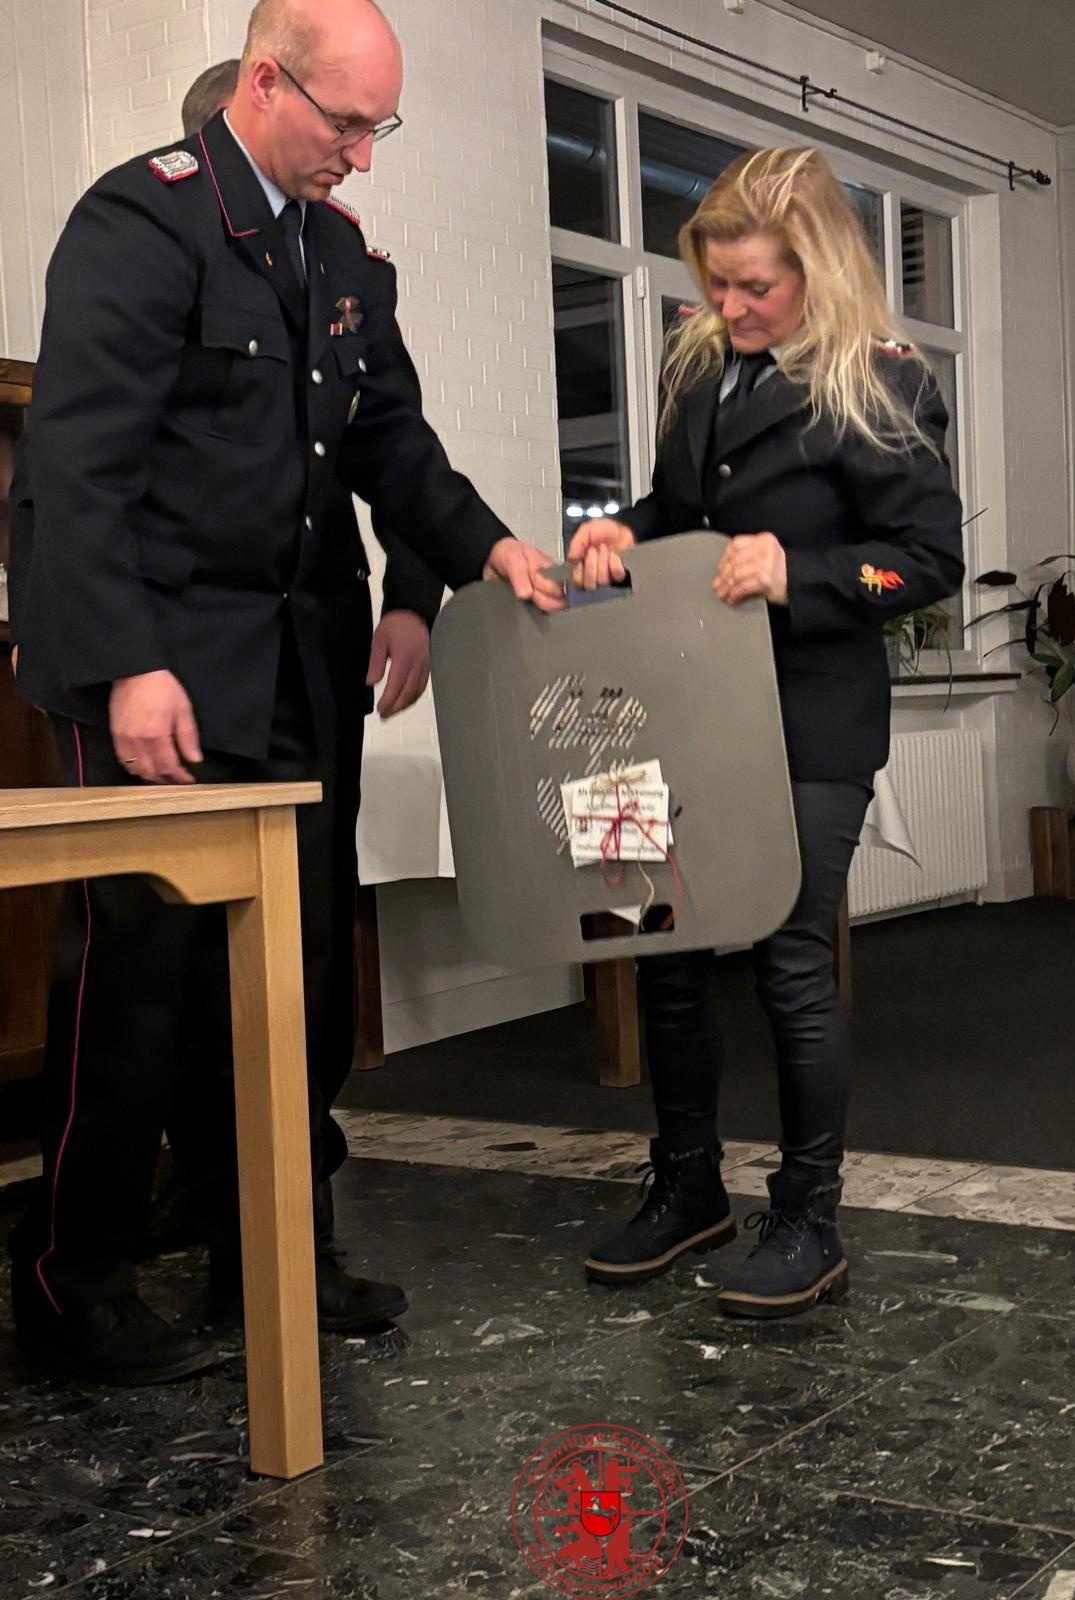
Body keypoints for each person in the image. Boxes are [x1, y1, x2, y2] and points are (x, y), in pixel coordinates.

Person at [6, 0, 562, 1385]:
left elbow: (393, 442)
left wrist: (483, 551)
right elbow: (77, 466)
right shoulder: (142, 222)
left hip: (295, 670)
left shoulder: (340, 253)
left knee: (291, 978)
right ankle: (74, 1281)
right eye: (349, 124)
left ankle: (264, 1253)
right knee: (136, 979)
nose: (363, 154)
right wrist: (128, 662)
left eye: (380, 128)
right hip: (158, 672)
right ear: (266, 82)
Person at [569, 147, 963, 1320]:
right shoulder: (702, 364)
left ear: (819, 270)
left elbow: (926, 560)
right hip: (680, 702)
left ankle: (808, 1216)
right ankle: (688, 1185)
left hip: (810, 714)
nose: (730, 306)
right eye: (717, 281)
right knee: (659, 949)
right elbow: (683, 510)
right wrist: (621, 533)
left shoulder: (881, 381)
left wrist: (804, 571)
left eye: (757, 286)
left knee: (791, 961)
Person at [137, 60, 447, 1265]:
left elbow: (398, 443)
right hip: (191, 659)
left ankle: (290, 1206)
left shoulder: (348, 265)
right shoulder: (159, 248)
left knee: (310, 933)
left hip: (315, 647)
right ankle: (207, 1189)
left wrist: (414, 596)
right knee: (176, 947)